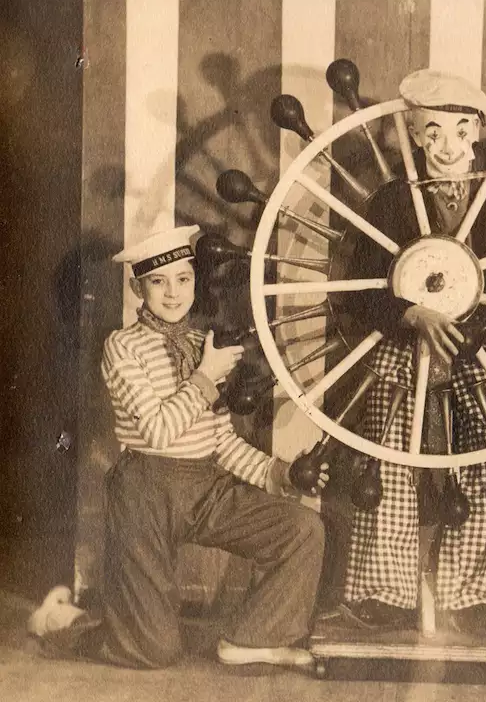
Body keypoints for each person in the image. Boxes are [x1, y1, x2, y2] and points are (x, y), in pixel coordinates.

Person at [28, 225, 329, 669]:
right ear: (137, 288)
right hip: (144, 491)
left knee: (302, 529)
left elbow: (220, 440)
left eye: (183, 279)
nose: (173, 293)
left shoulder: (200, 346)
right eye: (158, 282)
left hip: (206, 485)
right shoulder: (123, 347)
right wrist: (205, 377)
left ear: (194, 281)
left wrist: (277, 473)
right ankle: (60, 622)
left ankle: (247, 640)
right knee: (153, 651)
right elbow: (157, 432)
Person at [342, 69, 486, 633]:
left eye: (461, 132)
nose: (448, 146)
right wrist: (409, 312)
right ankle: (383, 594)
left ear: (478, 135)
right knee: (388, 463)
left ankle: (475, 595)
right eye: (434, 132)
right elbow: (359, 286)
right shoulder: (392, 204)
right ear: (416, 136)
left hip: (480, 351)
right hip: (402, 347)